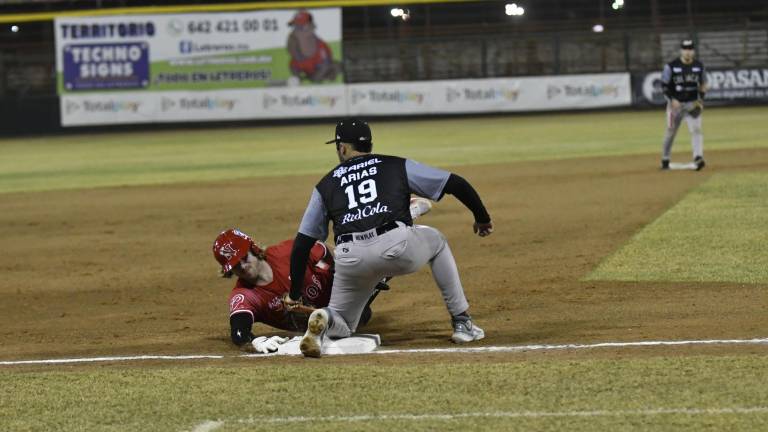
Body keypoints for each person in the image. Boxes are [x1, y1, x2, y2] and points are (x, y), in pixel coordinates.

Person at [285, 118, 493, 358]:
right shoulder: (395, 165)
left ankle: (325, 317)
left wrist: (294, 293)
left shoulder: (326, 184)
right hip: (395, 247)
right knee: (437, 241)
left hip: (350, 258)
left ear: (342, 147)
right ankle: (462, 322)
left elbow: (302, 244)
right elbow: (455, 182)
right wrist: (482, 218)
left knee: (343, 323)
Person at [212, 198, 433, 354]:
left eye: (244, 257)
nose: (243, 266)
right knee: (358, 319)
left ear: (253, 249)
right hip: (331, 316)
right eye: (235, 265)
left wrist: (359, 273)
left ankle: (403, 217)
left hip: (344, 290)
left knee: (368, 256)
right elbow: (239, 333)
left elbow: (331, 254)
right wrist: (255, 341)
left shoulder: (289, 252)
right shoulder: (244, 296)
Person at [660, 39, 708, 171]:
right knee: (670, 132)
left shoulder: (699, 66)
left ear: (693, 51)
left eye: (690, 49)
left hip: (692, 105)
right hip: (673, 107)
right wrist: (671, 99)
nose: (688, 51)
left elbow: (704, 84)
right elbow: (664, 86)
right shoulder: (670, 66)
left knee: (697, 130)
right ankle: (665, 159)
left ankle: (698, 157)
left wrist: (701, 99)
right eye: (685, 49)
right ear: (681, 50)